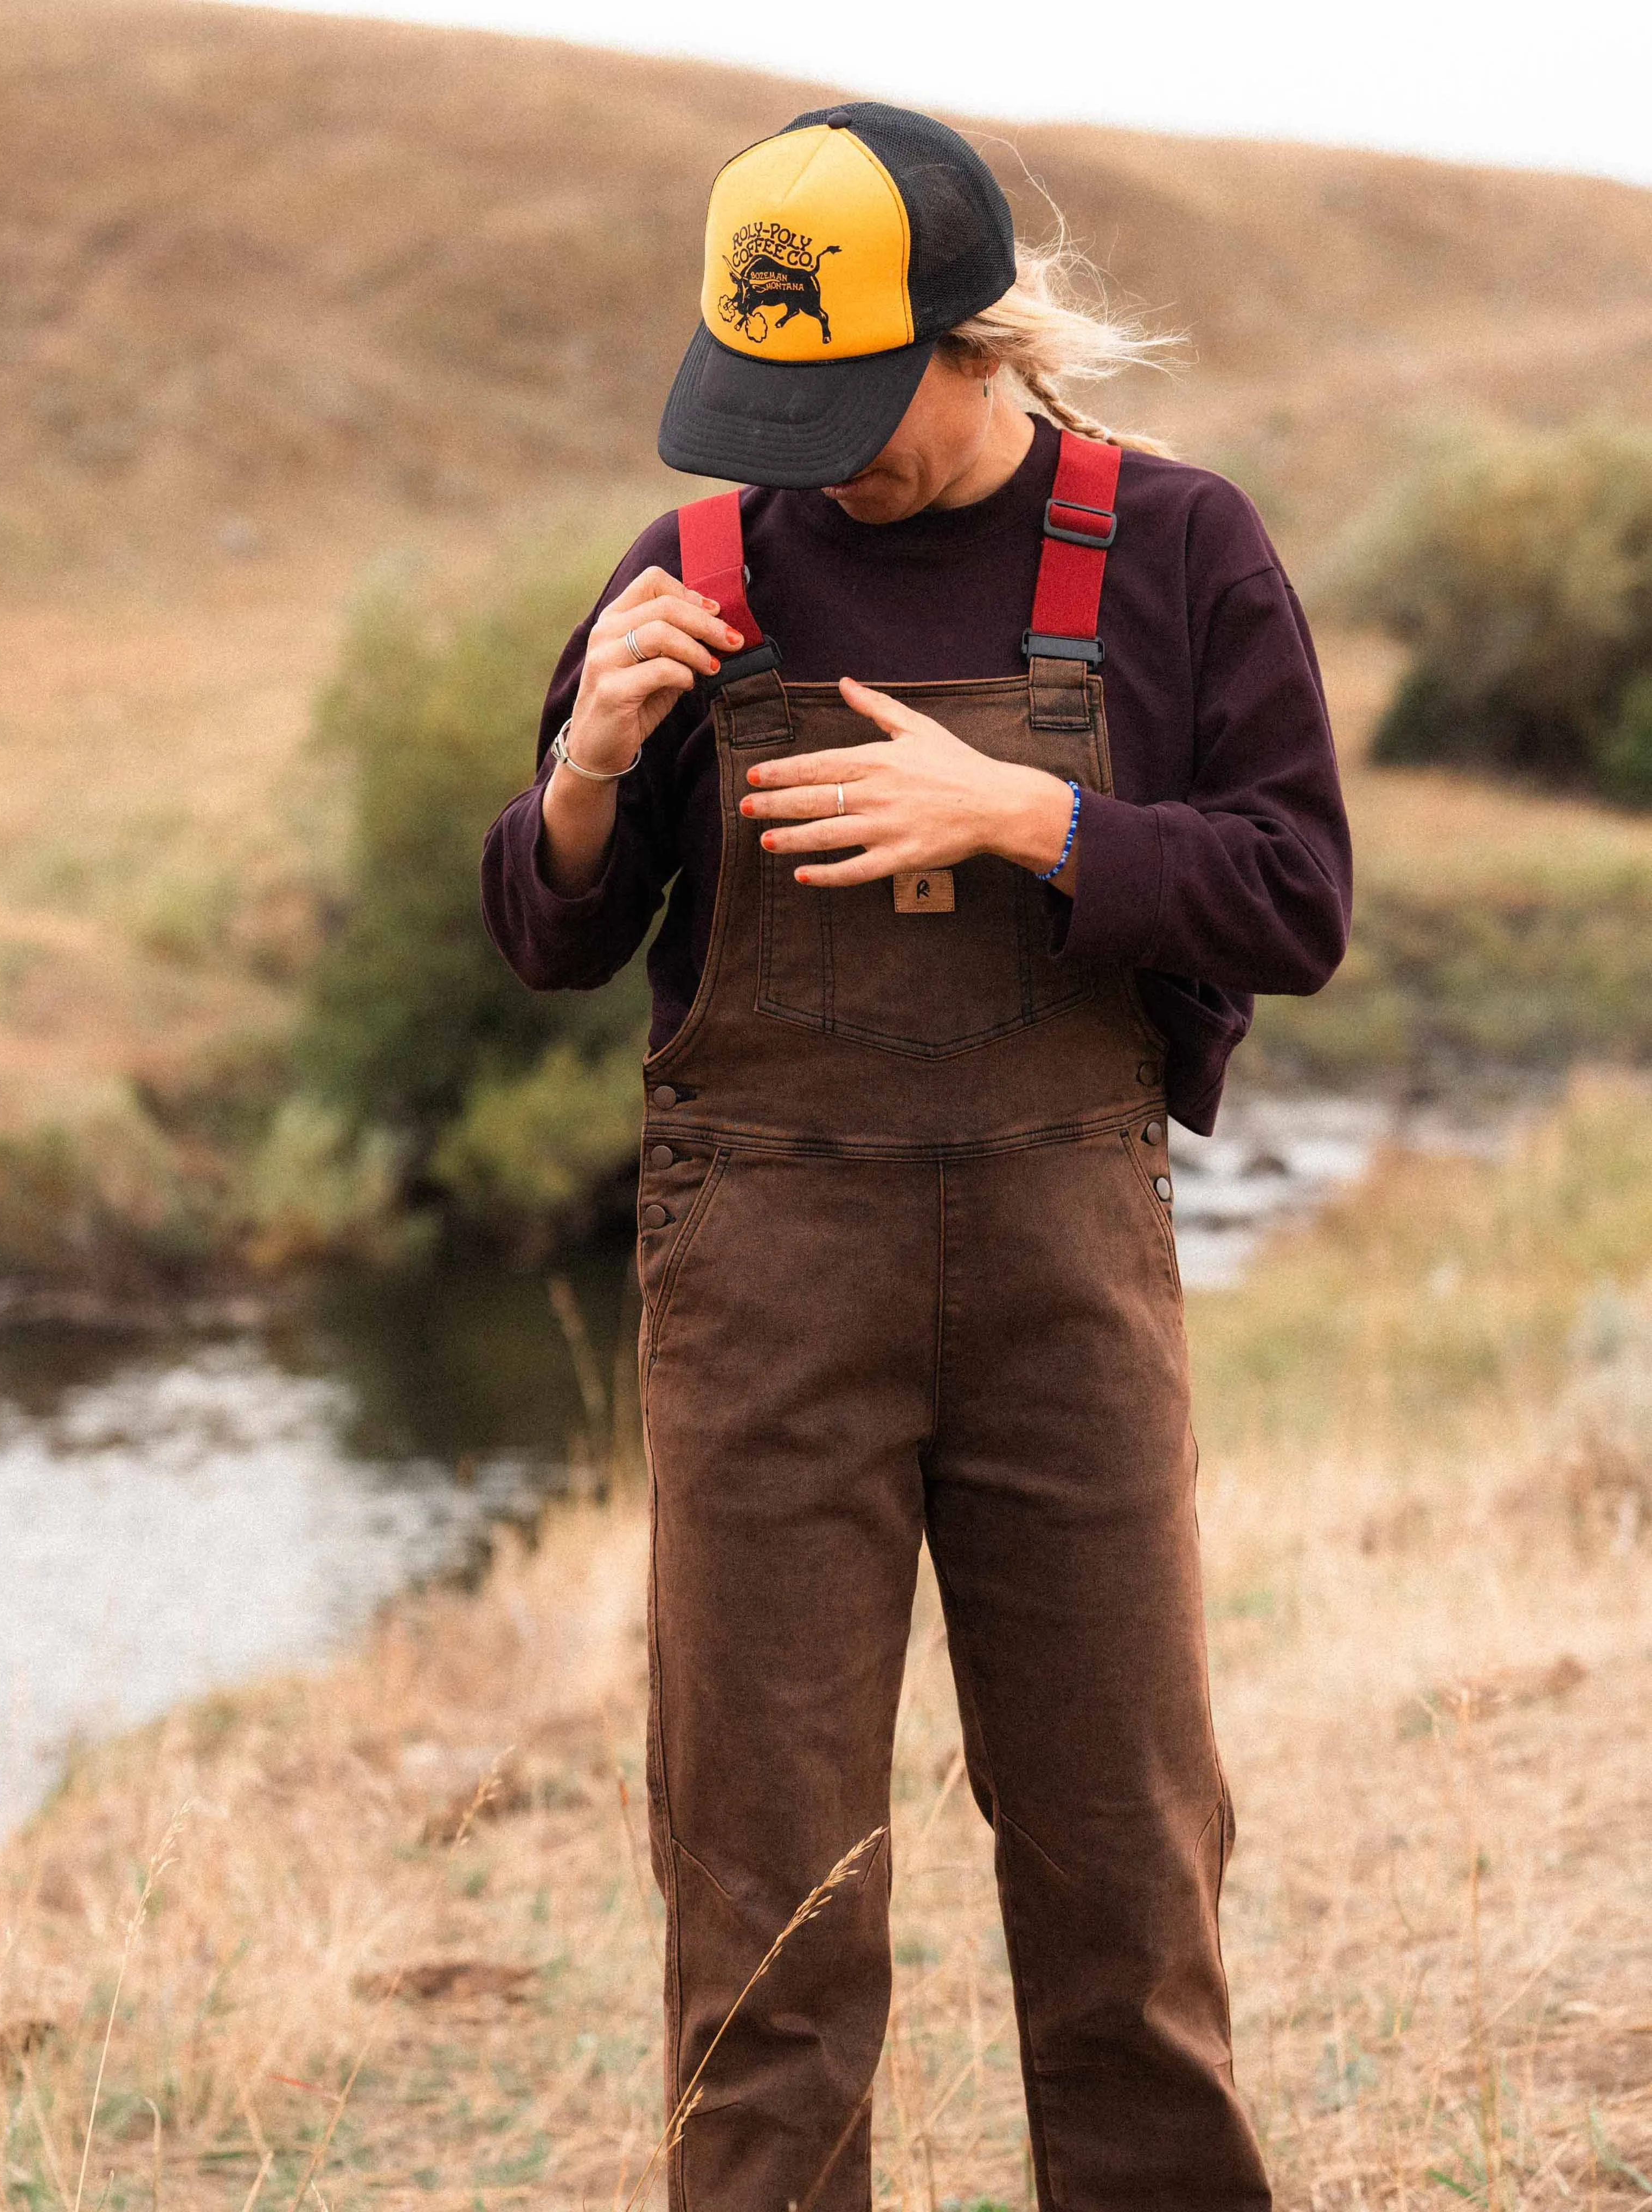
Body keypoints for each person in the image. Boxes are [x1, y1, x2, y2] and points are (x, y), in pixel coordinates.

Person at [483, 100, 1350, 2212]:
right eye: (768, 407)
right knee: (763, 1917)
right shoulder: (688, 574)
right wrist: (592, 766)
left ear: (984, 343)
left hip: (1067, 1287)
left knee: (1128, 1892)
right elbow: (547, 928)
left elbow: (1298, 900)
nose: (809, 460)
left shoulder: (1179, 550)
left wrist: (1032, 820)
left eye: (854, 403)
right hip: (763, 1297)